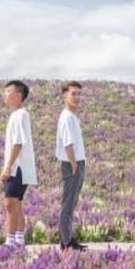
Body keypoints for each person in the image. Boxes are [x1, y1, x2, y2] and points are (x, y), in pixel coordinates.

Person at [0, 80, 37, 248]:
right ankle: (19, 238)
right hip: (21, 168)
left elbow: (18, 143)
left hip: (17, 168)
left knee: (10, 204)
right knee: (17, 204)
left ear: (19, 95)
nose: (5, 95)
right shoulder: (18, 115)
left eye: (8, 91)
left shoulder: (20, 115)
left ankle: (10, 240)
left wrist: (8, 167)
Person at [55, 81, 87, 250]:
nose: (77, 97)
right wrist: (74, 164)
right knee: (68, 204)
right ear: (64, 96)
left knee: (72, 202)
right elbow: (68, 144)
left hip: (77, 162)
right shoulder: (66, 117)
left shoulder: (72, 117)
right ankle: (66, 242)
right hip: (71, 164)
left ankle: (68, 238)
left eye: (79, 94)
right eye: (73, 94)